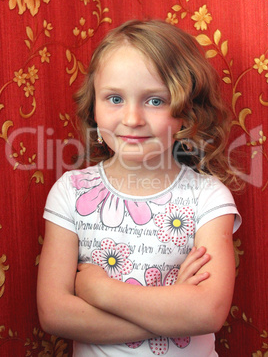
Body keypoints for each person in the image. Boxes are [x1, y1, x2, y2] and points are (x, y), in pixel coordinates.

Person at [37, 19, 242, 356]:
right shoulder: (71, 192)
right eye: (115, 98)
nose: (132, 118)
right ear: (93, 106)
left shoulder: (207, 197)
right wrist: (173, 310)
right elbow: (54, 314)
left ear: (186, 113)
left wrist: (102, 292)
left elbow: (207, 312)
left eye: (155, 101)